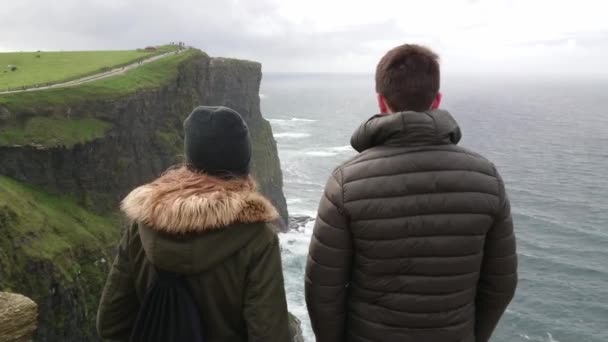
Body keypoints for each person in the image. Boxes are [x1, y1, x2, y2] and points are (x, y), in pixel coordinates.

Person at [305, 44, 518, 342]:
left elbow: (322, 292)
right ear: (437, 100)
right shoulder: (486, 178)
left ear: (381, 101)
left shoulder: (345, 184)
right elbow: (500, 284)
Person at [97, 106, 290, 341]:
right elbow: (269, 334)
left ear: (190, 159)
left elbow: (110, 323)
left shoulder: (141, 225)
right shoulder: (258, 239)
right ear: (243, 162)